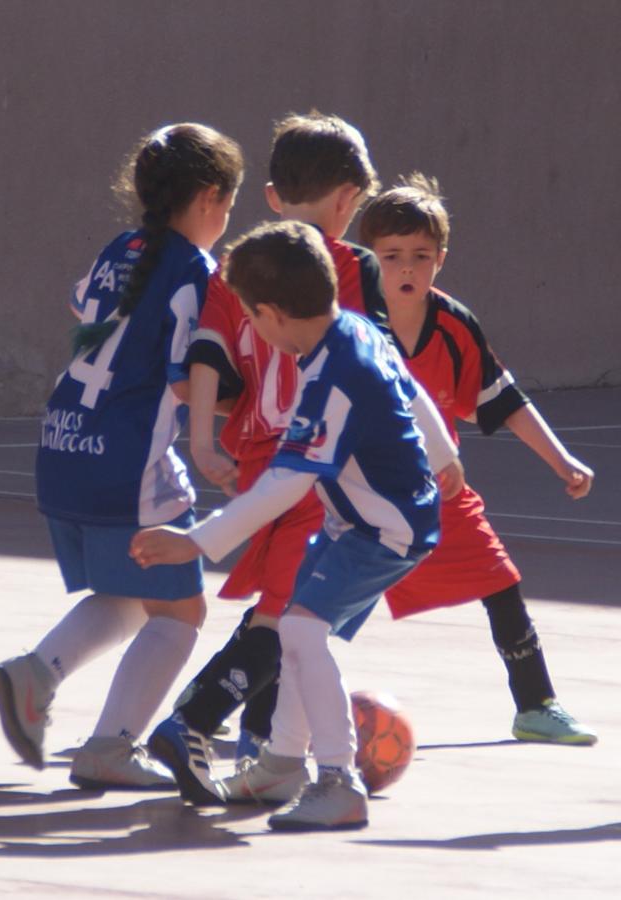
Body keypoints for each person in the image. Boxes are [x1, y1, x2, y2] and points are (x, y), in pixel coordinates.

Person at [147, 112, 462, 807]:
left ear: (272, 314)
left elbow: (289, 482)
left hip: (385, 530)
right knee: (294, 625)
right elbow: (408, 388)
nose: (252, 336)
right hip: (358, 521)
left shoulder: (329, 384)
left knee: (298, 626)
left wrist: (197, 541)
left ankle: (337, 779)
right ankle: (283, 762)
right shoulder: (351, 330)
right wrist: (443, 451)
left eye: (253, 323)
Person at [0, 123, 244, 788]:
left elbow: (82, 304)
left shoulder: (118, 248)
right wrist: (238, 412)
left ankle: (34, 673)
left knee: (132, 589)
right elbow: (189, 377)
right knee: (183, 610)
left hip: (65, 444)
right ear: (212, 198)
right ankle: (109, 746)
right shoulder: (194, 271)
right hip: (125, 464)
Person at [358, 174, 597, 745]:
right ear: (367, 260)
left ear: (440, 260)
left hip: (434, 489)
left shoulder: (456, 326)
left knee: (499, 580)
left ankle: (537, 704)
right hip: (351, 490)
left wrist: (561, 460)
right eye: (391, 257)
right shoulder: (351, 323)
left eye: (421, 256)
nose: (407, 269)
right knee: (303, 600)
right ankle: (231, 703)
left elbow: (504, 399)